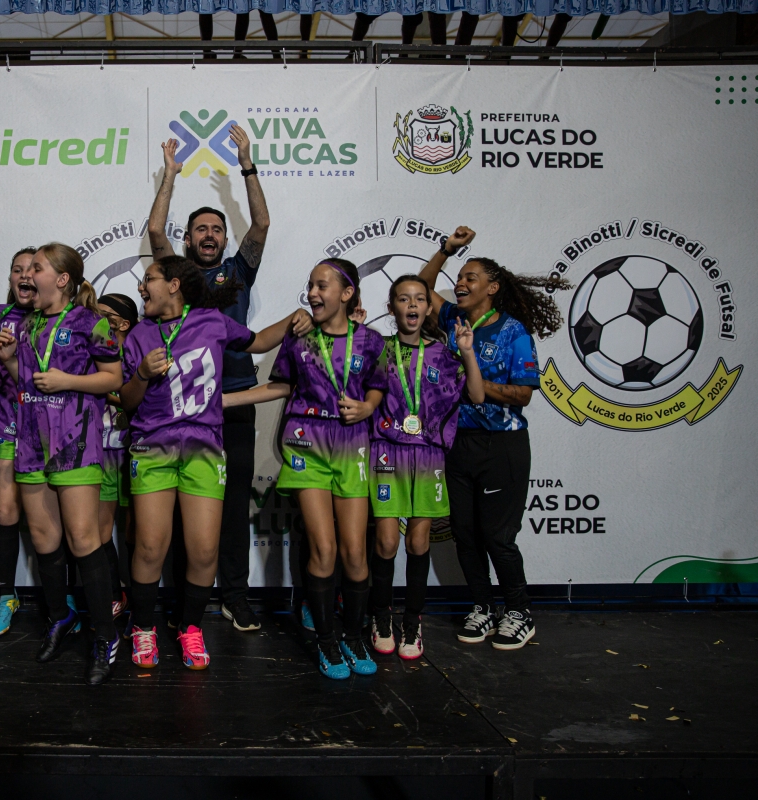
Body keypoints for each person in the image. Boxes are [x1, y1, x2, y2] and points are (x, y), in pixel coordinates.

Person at [121, 256, 301, 671]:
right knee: (150, 546)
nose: (142, 287)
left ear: (174, 285)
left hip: (204, 447)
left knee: (204, 550)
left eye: (149, 279)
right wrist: (142, 374)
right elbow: (128, 402)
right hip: (153, 448)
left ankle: (190, 627)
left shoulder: (212, 322)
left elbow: (259, 341)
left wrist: (295, 317)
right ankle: (143, 627)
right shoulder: (139, 334)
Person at [224, 259, 385, 679]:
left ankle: (353, 637)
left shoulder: (371, 340)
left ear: (347, 294)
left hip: (351, 446)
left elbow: (379, 387)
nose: (312, 293)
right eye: (310, 285)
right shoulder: (300, 338)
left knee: (355, 553)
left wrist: (367, 406)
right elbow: (282, 385)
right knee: (324, 549)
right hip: (306, 446)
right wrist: (223, 400)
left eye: (322, 286)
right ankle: (326, 641)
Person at [419, 227, 570, 650]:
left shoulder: (512, 331)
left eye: (471, 277)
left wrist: (473, 382)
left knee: (497, 538)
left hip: (501, 445)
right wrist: (445, 250)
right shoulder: (453, 319)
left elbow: (523, 393)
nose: (460, 283)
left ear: (493, 287)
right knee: (465, 535)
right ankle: (483, 607)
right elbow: (423, 288)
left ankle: (519, 612)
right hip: (457, 443)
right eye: (459, 277)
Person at [147, 129, 269, 634]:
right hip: (181, 407)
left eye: (216, 228)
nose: (210, 234)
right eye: (200, 228)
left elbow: (261, 224)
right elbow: (156, 230)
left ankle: (236, 597)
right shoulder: (178, 278)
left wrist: (247, 165)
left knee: (234, 504)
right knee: (181, 510)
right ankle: (184, 605)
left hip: (234, 402)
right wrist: (170, 177)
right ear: (190, 239)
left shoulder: (238, 271)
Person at [0, 243, 124, 686]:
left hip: (76, 442)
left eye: (37, 267)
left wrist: (68, 380)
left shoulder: (91, 321)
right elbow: (29, 383)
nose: (27, 274)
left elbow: (114, 378)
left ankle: (105, 635)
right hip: (32, 441)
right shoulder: (27, 324)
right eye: (25, 268)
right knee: (44, 541)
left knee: (84, 540)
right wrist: (9, 362)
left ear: (62, 279)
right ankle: (60, 617)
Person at [367, 275, 484, 661]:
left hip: (429, 455)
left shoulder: (444, 355)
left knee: (418, 543)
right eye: (404, 299)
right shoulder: (378, 351)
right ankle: (381, 618)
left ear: (429, 308)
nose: (412, 305)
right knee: (386, 543)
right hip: (387, 452)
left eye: (419, 298)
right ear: (392, 308)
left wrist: (467, 351)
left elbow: (477, 395)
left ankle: (412, 622)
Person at [0, 247, 37, 637]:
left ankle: (62, 597)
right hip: (6, 425)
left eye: (33, 269)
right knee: (5, 513)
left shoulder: (56, 318)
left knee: (52, 518)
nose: (24, 276)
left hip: (48, 433)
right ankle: (6, 595)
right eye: (17, 269)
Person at [96, 293, 140, 617]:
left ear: (123, 323)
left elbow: (135, 400)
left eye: (103, 315)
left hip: (135, 448)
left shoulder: (139, 353)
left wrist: (107, 391)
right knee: (99, 531)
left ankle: (138, 603)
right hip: (100, 448)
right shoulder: (94, 351)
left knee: (136, 532)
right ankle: (114, 594)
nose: (95, 319)